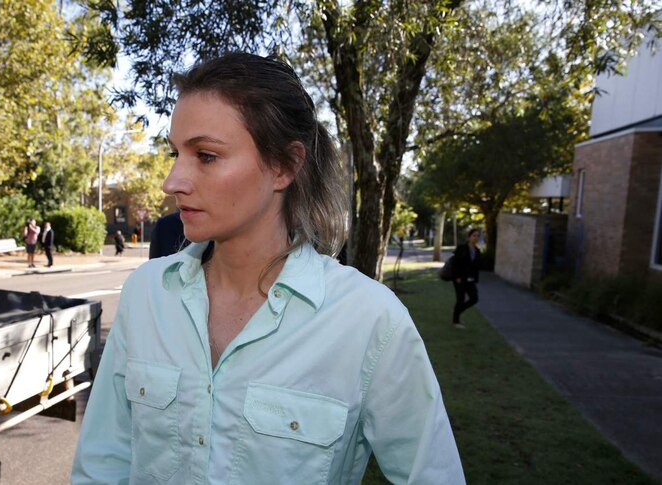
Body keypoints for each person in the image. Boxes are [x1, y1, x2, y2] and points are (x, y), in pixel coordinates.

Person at [71, 53, 463, 484]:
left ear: (284, 166)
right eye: (174, 153)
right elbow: (103, 461)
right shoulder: (146, 294)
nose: (172, 181)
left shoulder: (369, 321)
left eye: (205, 155)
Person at [451, 228, 481, 329]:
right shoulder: (461, 248)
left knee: (474, 298)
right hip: (459, 279)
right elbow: (454, 264)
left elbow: (476, 267)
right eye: (474, 235)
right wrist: (457, 277)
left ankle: (457, 311)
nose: (476, 238)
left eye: (477, 236)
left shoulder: (477, 251)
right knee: (461, 299)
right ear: (469, 237)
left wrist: (475, 279)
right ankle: (456, 321)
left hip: (470, 279)